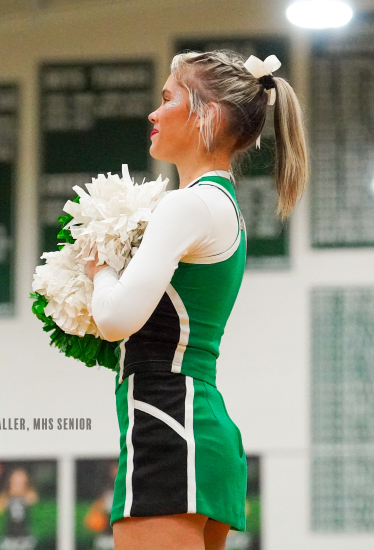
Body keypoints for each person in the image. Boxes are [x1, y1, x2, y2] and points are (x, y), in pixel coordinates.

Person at [85, 50, 308, 550]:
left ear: (206, 114)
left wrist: (100, 269)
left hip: (168, 427)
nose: (154, 113)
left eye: (167, 99)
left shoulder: (188, 205)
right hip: (198, 428)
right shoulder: (219, 204)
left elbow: (116, 318)